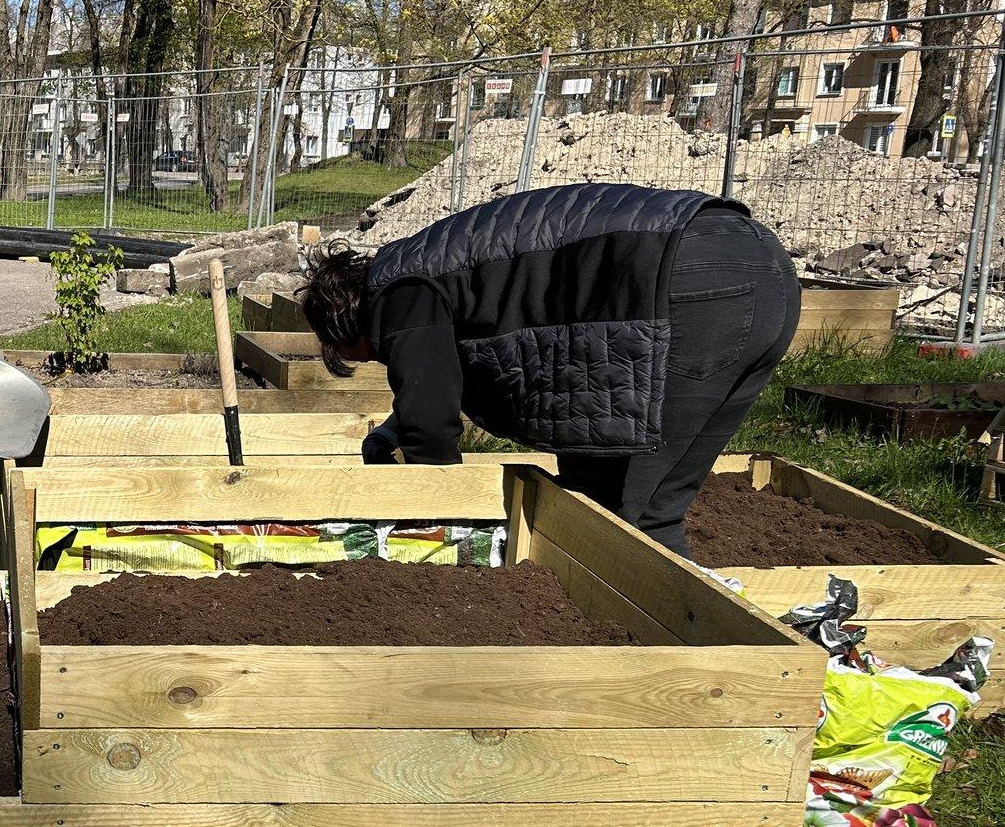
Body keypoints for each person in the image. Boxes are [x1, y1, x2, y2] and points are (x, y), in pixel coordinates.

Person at [301, 183, 801, 557]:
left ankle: (685, 666)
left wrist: (434, 519)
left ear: (346, 319)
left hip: (683, 282)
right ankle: (703, 647)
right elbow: (449, 372)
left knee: (610, 519)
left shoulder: (397, 287)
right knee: (650, 508)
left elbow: (429, 415)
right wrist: (392, 429)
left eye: (365, 354)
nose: (377, 359)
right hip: (761, 266)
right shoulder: (435, 263)